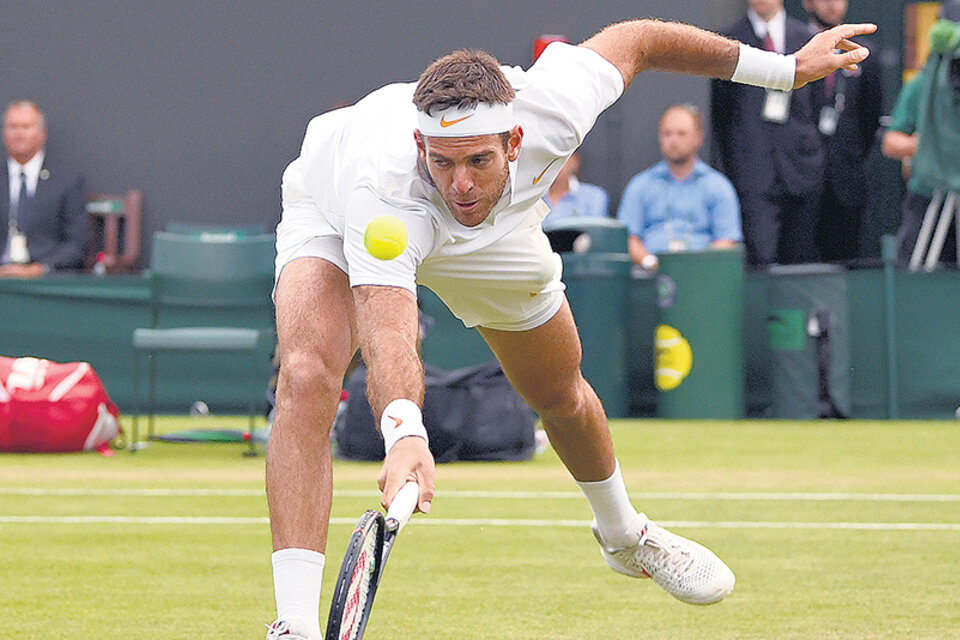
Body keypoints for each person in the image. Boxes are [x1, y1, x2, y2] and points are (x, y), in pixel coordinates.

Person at [266, 16, 874, 639]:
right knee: (308, 375)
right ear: (423, 151)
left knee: (559, 391)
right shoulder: (383, 187)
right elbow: (389, 325)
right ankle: (293, 623)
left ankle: (623, 535)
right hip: (336, 207)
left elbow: (640, 40)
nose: (463, 183)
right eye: (445, 163)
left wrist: (784, 70)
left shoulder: (556, 102)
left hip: (501, 236)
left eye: (478, 159)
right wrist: (403, 436)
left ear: (514, 141)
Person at [711, 0, 826, 267]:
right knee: (761, 259)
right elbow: (722, 112)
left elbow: (819, 103)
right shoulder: (730, 40)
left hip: (802, 169)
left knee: (800, 261)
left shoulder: (806, 38)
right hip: (754, 171)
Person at [804, 0, 884, 262]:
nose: (831, 5)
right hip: (801, 176)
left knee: (846, 259)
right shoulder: (795, 49)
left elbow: (870, 118)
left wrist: (851, 156)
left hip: (846, 179)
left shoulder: (864, 56)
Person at [881, 1, 960, 267]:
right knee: (916, 276)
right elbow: (891, 141)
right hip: (929, 196)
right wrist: (930, 144)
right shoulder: (922, 85)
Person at [617, 104, 741, 271]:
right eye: (667, 134)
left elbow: (726, 241)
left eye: (682, 134)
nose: (673, 140)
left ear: (699, 138)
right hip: (650, 277)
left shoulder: (718, 186)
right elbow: (628, 238)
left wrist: (695, 268)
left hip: (703, 278)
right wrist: (649, 262)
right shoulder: (640, 185)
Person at [0, 100, 87, 278]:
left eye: (26, 127)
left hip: (44, 279)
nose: (19, 134)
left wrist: (39, 269)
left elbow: (77, 245)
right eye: (12, 127)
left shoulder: (67, 181)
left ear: (42, 134)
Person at [541, 151, 610, 222]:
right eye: (548, 160)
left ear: (575, 161)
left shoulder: (595, 196)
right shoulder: (533, 196)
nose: (554, 166)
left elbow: (595, 231)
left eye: (560, 159)